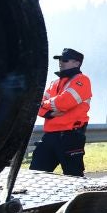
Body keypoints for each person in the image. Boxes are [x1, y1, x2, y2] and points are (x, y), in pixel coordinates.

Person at [34, 47, 92, 176]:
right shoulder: (54, 83)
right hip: (49, 136)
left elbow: (63, 102)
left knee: (73, 177)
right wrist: (50, 112)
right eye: (59, 60)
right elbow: (37, 107)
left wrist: (45, 105)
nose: (61, 62)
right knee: (36, 174)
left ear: (77, 63)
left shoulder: (82, 80)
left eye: (65, 60)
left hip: (70, 137)